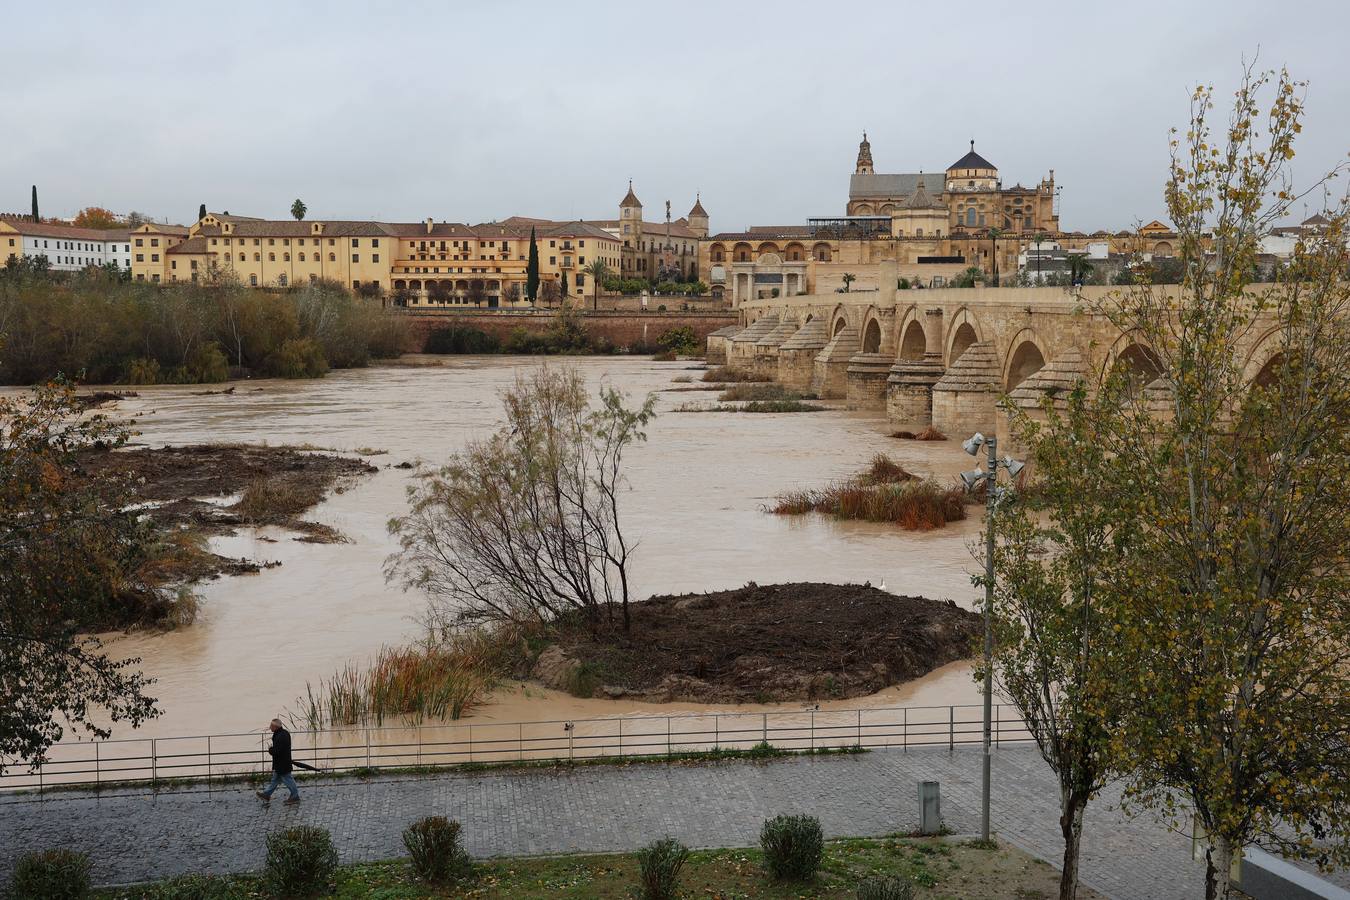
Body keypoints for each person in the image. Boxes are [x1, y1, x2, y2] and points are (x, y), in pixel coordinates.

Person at [256, 718, 300, 804]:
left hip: (282, 763)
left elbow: (278, 751)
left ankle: (295, 796)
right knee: (275, 780)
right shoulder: (283, 733)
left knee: (288, 779)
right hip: (282, 762)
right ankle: (266, 794)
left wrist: (270, 750)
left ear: (275, 727)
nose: (270, 727)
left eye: (271, 726)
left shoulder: (280, 736)